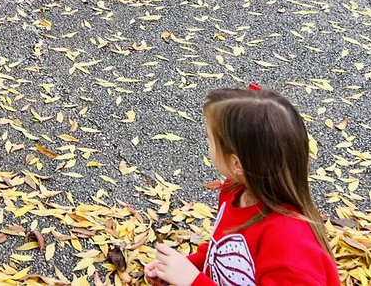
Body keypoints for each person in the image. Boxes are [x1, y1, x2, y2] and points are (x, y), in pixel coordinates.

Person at [145, 86, 341, 286]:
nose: (207, 145)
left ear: (237, 164)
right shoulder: (236, 190)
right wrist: (183, 268)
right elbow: (219, 250)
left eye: (209, 140)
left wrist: (192, 281)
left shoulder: (288, 246)